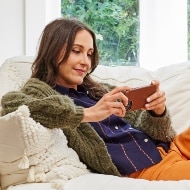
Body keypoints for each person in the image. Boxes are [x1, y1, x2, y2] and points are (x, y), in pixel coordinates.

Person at [1, 18, 190, 180]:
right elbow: (12, 104)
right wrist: (88, 113)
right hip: (146, 167)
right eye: (77, 51)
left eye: (89, 54)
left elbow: (155, 130)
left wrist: (156, 113)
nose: (86, 61)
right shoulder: (39, 92)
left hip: (172, 147)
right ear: (53, 50)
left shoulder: (97, 90)